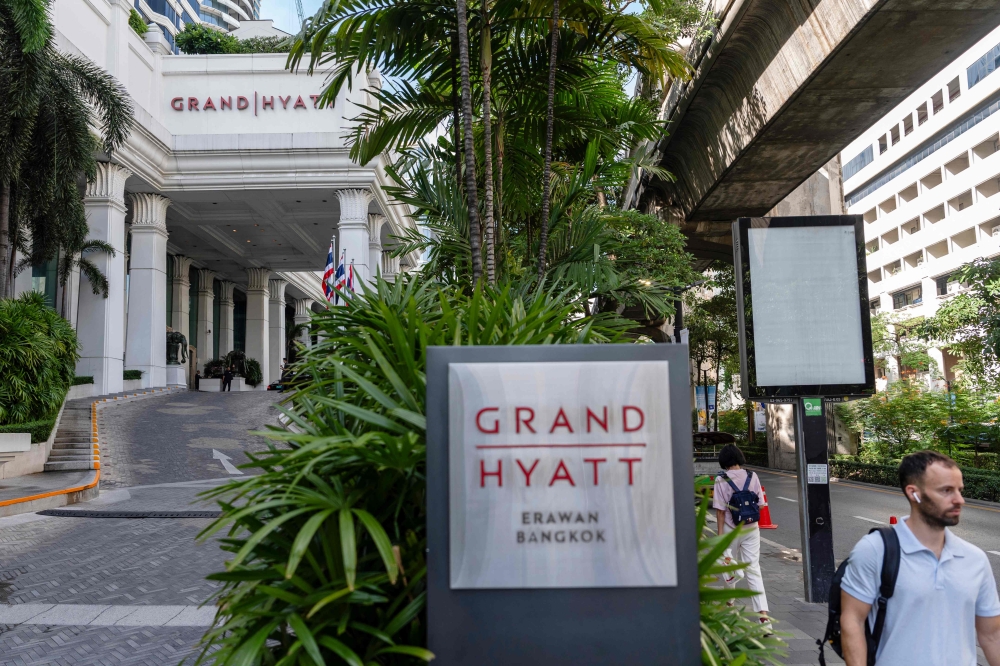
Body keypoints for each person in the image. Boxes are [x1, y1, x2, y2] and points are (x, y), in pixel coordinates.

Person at [840, 450, 1000, 665]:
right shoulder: (875, 550)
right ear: (914, 493)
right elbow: (852, 622)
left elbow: (992, 635)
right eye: (947, 491)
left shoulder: (975, 559)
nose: (959, 500)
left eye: (960, 490)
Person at [712, 443, 768, 621]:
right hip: (752, 528)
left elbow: (720, 511)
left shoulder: (721, 479)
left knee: (729, 565)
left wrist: (720, 535)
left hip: (731, 528)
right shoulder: (752, 476)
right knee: (754, 569)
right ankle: (763, 617)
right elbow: (760, 504)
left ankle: (729, 604)